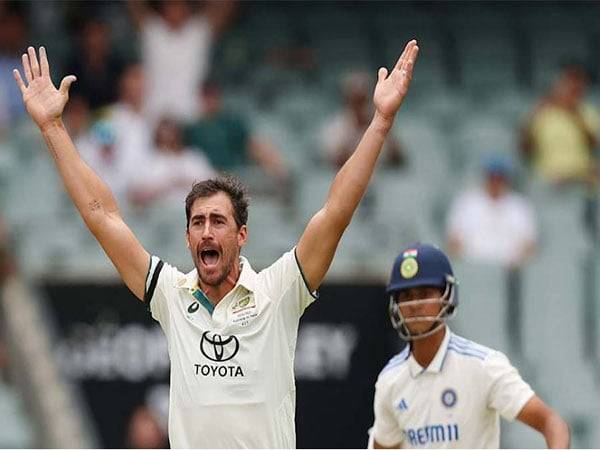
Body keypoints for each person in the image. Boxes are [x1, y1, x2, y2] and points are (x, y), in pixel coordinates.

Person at [13, 41, 419, 448]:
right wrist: (53, 127)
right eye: (198, 222)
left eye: (218, 221)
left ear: (241, 235)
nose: (207, 231)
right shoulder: (171, 294)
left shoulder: (278, 291)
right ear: (188, 237)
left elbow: (335, 213)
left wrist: (381, 120)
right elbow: (102, 216)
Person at [370, 243, 570, 448]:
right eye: (406, 296)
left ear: (447, 296)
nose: (415, 305)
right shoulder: (390, 380)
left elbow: (552, 423)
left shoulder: (483, 365)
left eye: (424, 293)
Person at [128, 0, 236, 125]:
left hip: (191, 114)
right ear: (163, 9)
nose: (174, 11)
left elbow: (225, 7)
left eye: (179, 6)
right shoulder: (152, 30)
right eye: (170, 5)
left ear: (187, 9)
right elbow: (134, 5)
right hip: (153, 113)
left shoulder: (199, 31)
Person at [184, 79, 289, 191]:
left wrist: (276, 167)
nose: (209, 101)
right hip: (206, 175)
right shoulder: (193, 129)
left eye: (212, 96)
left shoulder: (232, 122)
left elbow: (253, 146)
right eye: (205, 97)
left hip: (237, 173)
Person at [446, 155, 538, 267]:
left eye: (500, 177)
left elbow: (529, 245)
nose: (495, 182)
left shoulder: (520, 206)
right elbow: (453, 242)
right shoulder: (466, 202)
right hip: (473, 268)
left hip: (508, 271)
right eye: (492, 177)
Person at [521, 62, 600, 185]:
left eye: (577, 83)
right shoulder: (542, 111)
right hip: (548, 180)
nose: (572, 87)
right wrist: (534, 116)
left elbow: (594, 145)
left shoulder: (587, 112)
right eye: (568, 82)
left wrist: (575, 114)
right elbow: (525, 149)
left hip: (580, 180)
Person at [321, 71, 406, 169]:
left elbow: (399, 161)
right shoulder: (335, 127)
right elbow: (336, 165)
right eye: (356, 101)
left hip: (382, 177)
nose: (360, 107)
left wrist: (382, 131)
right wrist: (353, 130)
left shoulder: (383, 122)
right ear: (347, 101)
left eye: (363, 100)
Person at [129, 118, 215, 208]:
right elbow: (137, 196)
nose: (168, 137)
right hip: (161, 213)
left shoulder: (194, 157)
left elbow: (212, 187)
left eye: (172, 133)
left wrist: (183, 182)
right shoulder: (150, 161)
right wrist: (167, 185)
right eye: (164, 134)